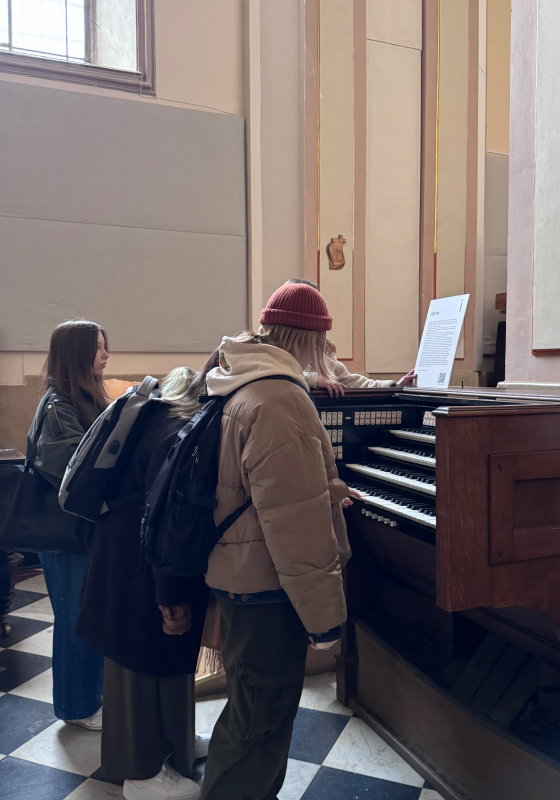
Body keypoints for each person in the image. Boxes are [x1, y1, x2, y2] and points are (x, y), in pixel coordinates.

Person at [200, 282, 351, 800]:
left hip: (237, 574)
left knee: (249, 712)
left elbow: (255, 486)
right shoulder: (281, 398)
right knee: (258, 724)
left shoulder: (236, 379)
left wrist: (325, 485)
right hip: (267, 589)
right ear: (309, 339)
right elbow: (295, 526)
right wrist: (325, 618)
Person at [77, 359, 219, 800]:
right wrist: (169, 591)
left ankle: (174, 745)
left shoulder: (157, 413)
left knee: (163, 659)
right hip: (140, 565)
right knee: (137, 666)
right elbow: (168, 521)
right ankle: (140, 772)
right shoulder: (181, 431)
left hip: (124, 555)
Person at [27, 319, 109, 729]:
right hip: (63, 534)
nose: (106, 355)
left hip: (80, 531)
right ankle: (77, 708)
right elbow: (76, 473)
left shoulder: (83, 397)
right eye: (98, 348)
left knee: (85, 615)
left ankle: (89, 697)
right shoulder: (58, 406)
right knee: (74, 619)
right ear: (77, 354)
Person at [286, 278, 417, 396]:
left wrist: (394, 386)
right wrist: (312, 380)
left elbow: (353, 382)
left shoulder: (324, 352)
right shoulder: (273, 345)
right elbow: (273, 371)